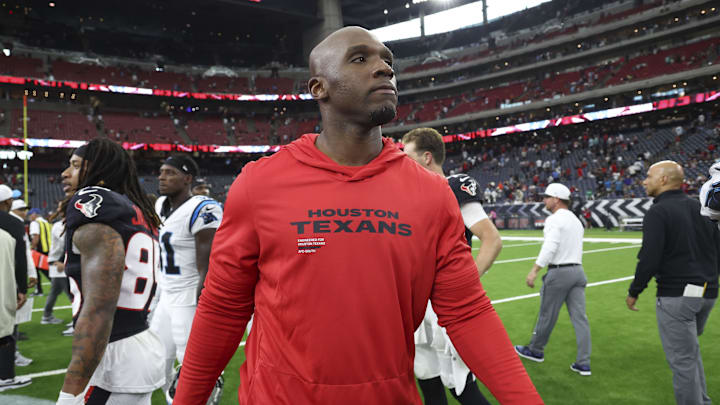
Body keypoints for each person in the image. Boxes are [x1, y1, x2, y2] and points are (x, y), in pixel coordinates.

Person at [173, 26, 541, 404]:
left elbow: (468, 314)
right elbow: (222, 309)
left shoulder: (432, 194)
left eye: (388, 61)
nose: (384, 68)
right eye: (361, 58)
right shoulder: (260, 184)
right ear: (319, 87)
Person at [55, 139, 165, 405]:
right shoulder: (136, 210)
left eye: (75, 165)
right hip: (137, 343)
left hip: (113, 356)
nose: (65, 173)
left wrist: (70, 392)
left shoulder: (93, 201)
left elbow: (100, 308)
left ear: (96, 170)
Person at [402, 127, 502, 405]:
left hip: (446, 307)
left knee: (462, 388)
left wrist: (463, 286)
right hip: (418, 306)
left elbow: (492, 240)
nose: (401, 160)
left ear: (426, 157)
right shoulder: (411, 195)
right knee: (429, 385)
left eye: (406, 154)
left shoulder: (453, 187)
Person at [627, 160, 718, 405]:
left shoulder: (659, 211)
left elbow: (649, 257)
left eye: (648, 176)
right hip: (706, 292)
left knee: (682, 361)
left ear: (664, 180)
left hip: (678, 295)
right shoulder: (700, 207)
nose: (644, 181)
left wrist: (635, 290)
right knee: (690, 353)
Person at [150, 155, 223, 403]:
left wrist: (204, 304)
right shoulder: (160, 205)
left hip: (188, 296)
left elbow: (209, 263)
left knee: (192, 364)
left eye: (170, 173)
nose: (162, 177)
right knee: (157, 361)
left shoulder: (203, 208)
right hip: (165, 294)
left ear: (187, 179)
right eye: (161, 172)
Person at [514, 183, 592, 376]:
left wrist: (534, 270)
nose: (544, 200)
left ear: (556, 199)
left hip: (560, 272)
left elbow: (550, 247)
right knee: (580, 319)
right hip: (578, 270)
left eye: (547, 197)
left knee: (547, 315)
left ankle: (535, 350)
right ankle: (584, 363)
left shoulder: (555, 220)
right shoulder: (575, 220)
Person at [0, 185, 31, 391]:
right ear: (7, 203)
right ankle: (5, 377)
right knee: (4, 328)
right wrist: (22, 288)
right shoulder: (13, 224)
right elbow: (20, 260)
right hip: (4, 281)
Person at [9, 199, 38, 365]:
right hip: (11, 276)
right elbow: (24, 253)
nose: (24, 212)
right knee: (12, 318)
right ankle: (12, 354)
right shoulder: (16, 225)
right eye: (21, 209)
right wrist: (31, 273)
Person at [46, 202, 74, 337]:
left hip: (58, 262)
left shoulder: (60, 224)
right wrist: (62, 261)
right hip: (58, 263)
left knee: (56, 291)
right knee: (71, 294)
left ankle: (47, 315)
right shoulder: (59, 226)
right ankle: (76, 321)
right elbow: (66, 243)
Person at [28, 207, 52, 298]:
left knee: (37, 271)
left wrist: (32, 248)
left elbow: (36, 237)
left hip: (39, 250)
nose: (30, 217)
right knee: (47, 269)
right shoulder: (46, 222)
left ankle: (39, 290)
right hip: (48, 249)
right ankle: (58, 285)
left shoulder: (35, 223)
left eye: (31, 214)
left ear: (35, 214)